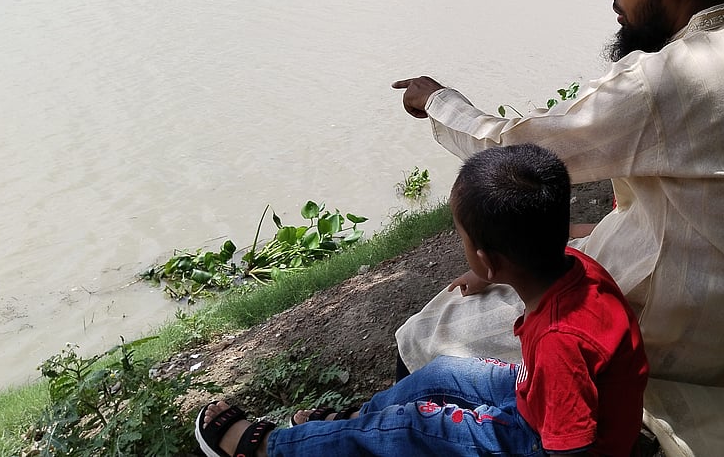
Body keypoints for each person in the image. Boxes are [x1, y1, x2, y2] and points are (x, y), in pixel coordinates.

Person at [391, 0, 724, 455]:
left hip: (660, 332)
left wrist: (440, 103)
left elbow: (520, 149)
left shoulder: (668, 80)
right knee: (517, 271)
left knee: (428, 332)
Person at [193, 144, 649, 457]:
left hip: (537, 439)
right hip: (539, 397)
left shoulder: (559, 342)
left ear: (490, 259)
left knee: (416, 428)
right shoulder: (574, 266)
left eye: (462, 237)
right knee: (443, 372)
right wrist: (487, 274)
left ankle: (267, 448)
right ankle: (358, 420)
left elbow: (570, 447)